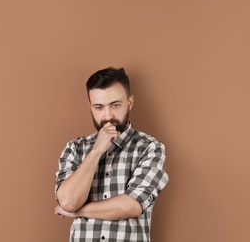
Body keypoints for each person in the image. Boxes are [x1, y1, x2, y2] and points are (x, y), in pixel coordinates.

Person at [54, 67, 169, 242]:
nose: (107, 116)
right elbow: (68, 202)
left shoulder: (150, 148)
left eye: (115, 105)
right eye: (99, 107)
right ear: (90, 107)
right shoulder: (75, 148)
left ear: (130, 103)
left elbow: (131, 205)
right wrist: (96, 151)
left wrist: (79, 211)